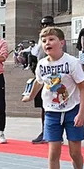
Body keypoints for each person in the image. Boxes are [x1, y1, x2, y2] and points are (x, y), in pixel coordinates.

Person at [22, 27, 84, 169]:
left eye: (51, 40)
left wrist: (81, 113)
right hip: (51, 112)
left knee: (75, 152)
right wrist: (30, 95)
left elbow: (83, 88)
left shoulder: (72, 63)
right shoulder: (42, 64)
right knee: (53, 153)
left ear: (61, 43)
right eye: (44, 41)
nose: (47, 43)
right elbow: (39, 81)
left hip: (72, 110)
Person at [32, 15, 56, 144]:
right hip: (43, 76)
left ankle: (51, 133)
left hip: (55, 76)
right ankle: (45, 132)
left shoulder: (57, 39)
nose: (46, 27)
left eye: (48, 24)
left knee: (54, 106)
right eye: (43, 25)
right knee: (44, 106)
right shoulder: (41, 40)